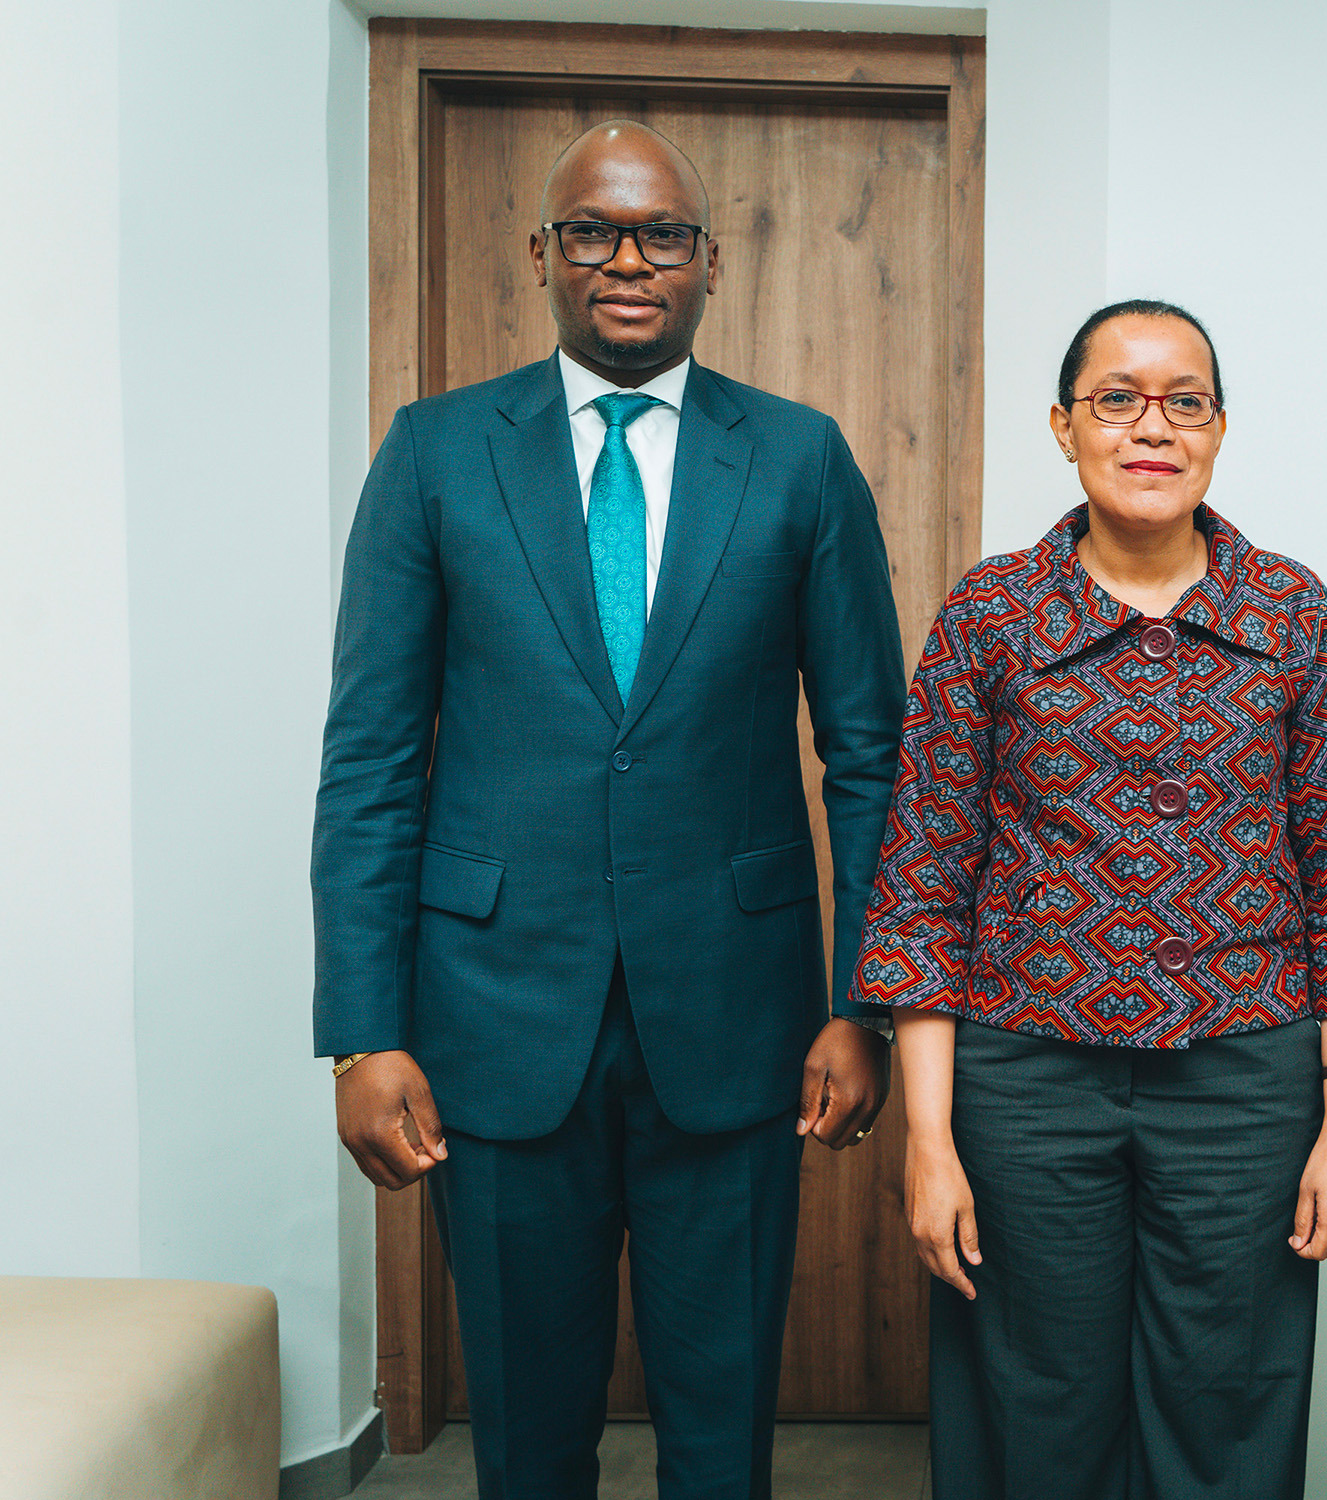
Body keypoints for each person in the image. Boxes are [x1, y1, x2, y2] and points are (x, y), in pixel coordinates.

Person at [312, 120, 905, 1499]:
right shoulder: (436, 454)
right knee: (526, 1441)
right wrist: (361, 1034)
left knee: (722, 1435)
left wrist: (862, 1005)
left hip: (741, 1024)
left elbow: (871, 756)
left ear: (711, 263)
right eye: (593, 231)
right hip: (493, 1020)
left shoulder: (801, 458)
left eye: (662, 236)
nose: (628, 262)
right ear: (542, 254)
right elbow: (371, 760)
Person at [849, 300, 1327, 1499]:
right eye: (1117, 400)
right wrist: (931, 1143)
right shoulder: (991, 614)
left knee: (1227, 1409)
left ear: (1219, 429)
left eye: (1184, 402)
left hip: (1247, 1087)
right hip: (1026, 1086)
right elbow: (922, 886)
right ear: (1064, 427)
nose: (1152, 428)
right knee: (1038, 1408)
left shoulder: (1291, 613)